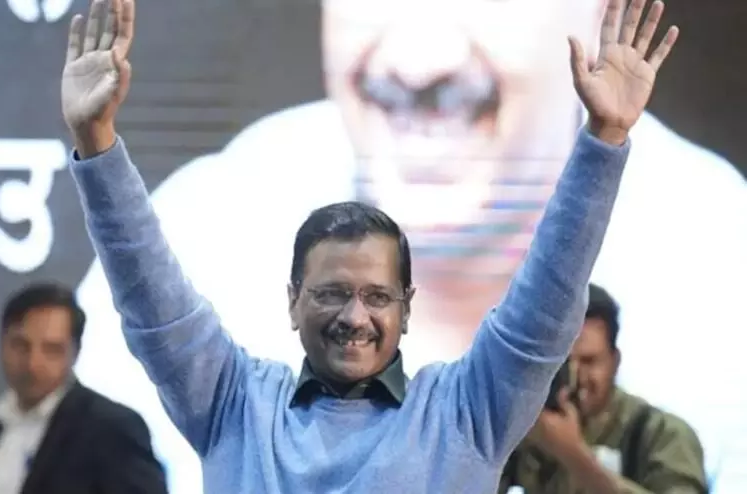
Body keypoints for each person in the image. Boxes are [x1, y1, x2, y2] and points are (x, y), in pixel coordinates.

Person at [71, 0, 744, 488]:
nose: (354, 316)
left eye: (376, 296)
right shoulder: (233, 404)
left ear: (405, 308)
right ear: (293, 302)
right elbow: (151, 298)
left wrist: (603, 139)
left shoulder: (463, 412)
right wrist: (96, 141)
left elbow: (547, 301)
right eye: (330, 294)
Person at [499, 284, 707, 494]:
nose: (575, 377)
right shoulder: (525, 431)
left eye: (589, 361)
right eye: (562, 363)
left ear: (614, 362)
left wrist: (575, 456)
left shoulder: (662, 435)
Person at [0, 282, 167, 494]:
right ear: (2, 343)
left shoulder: (111, 428)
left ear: (75, 352)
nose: (33, 363)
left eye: (51, 349)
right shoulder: (6, 420)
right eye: (21, 345)